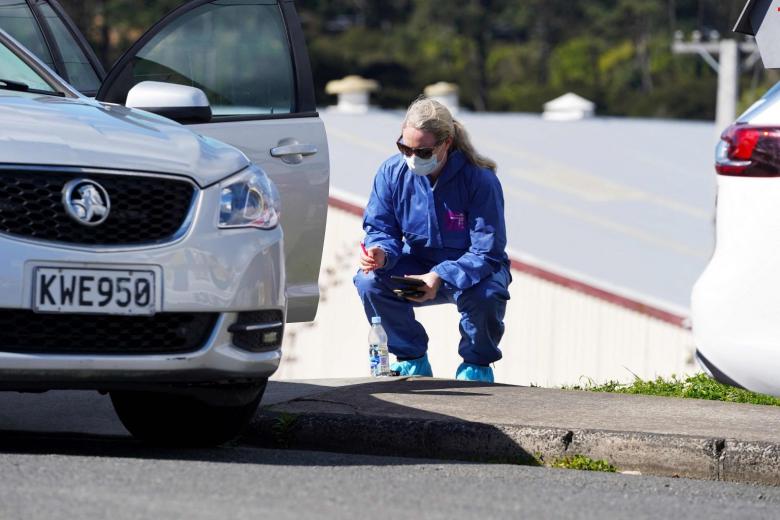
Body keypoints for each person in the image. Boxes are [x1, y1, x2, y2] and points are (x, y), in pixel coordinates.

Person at [354, 97, 511, 383]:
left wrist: (440, 275)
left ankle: (476, 367)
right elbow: (381, 228)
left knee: (487, 295)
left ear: (446, 143)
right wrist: (380, 252)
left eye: (423, 151)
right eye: (405, 147)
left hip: (474, 270)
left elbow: (487, 252)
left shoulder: (480, 180)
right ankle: (412, 360)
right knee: (369, 281)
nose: (412, 157)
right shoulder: (391, 173)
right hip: (417, 264)